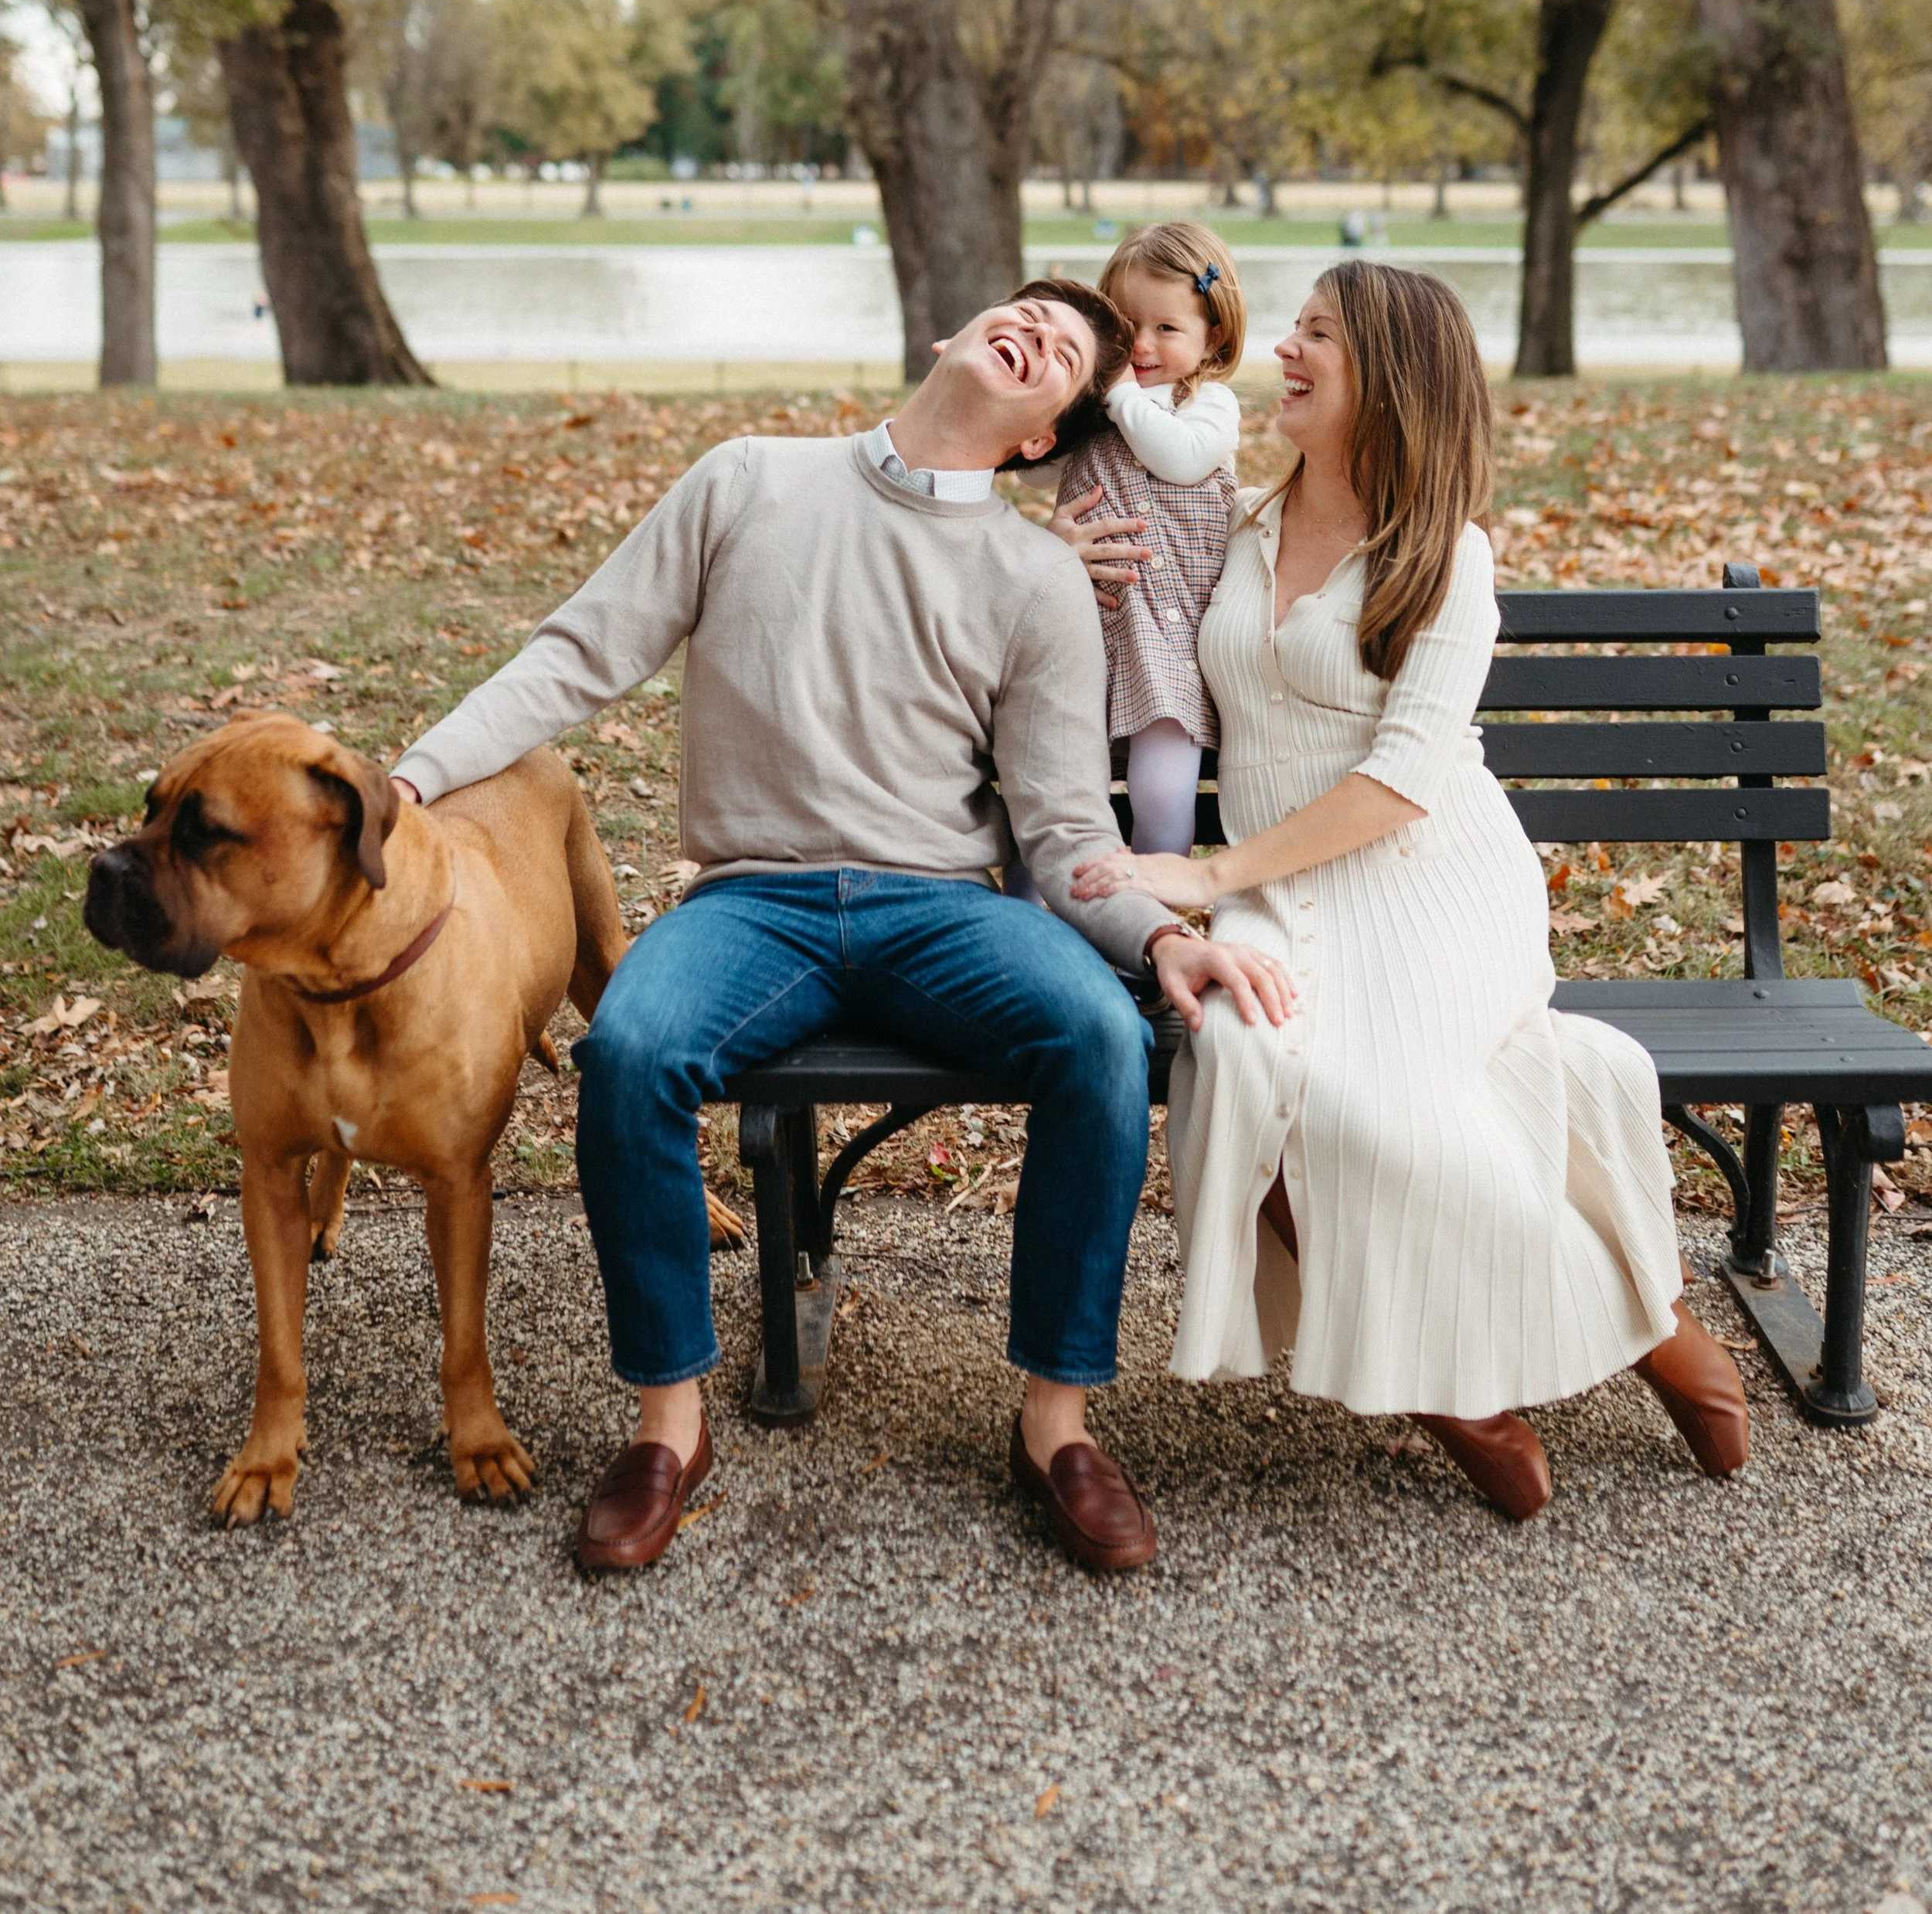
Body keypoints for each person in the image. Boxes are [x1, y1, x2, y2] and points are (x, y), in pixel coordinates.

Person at [391, 280, 1284, 1576]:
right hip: (755, 902)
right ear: (952, 336)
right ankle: (668, 1428)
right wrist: (415, 776)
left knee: (1097, 1035)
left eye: (1069, 355)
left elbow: (1061, 831)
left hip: (940, 911)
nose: (1035, 332)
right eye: (1024, 311)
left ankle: (1057, 1425)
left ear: (1042, 435)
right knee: (631, 1049)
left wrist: (1156, 937)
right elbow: (575, 655)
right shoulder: (748, 480)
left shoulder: (1035, 576)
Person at [1073, 260, 1749, 1520]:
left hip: (1428, 884)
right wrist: (1061, 555)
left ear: (1387, 376)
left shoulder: (1446, 559)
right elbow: (1132, 599)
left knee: (1378, 1109)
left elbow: (1399, 788)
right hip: (1291, 892)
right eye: (1295, 327)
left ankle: (1644, 1333)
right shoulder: (1245, 522)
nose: (1284, 348)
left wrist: (1206, 870)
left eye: (1318, 334)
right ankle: (1469, 1380)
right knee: (1243, 1062)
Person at [1009, 224, 1245, 901]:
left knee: (1161, 788)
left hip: (1170, 639)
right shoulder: (1093, 410)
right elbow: (1033, 473)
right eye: (1126, 325)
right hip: (1083, 626)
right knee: (1058, 785)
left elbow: (1178, 457)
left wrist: (1116, 395)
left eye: (1166, 328)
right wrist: (1044, 416)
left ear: (1215, 340)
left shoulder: (1206, 407)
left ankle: (1145, 914)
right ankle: (1030, 921)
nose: (1140, 347)